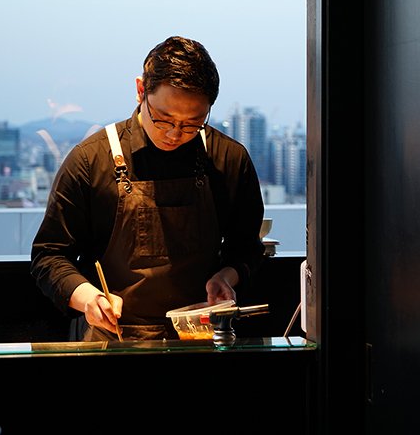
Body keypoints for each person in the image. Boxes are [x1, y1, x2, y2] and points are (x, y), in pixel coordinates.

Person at [30, 36, 266, 341]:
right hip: (112, 338)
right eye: (163, 119)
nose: (175, 134)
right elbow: (48, 256)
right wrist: (89, 298)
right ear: (141, 90)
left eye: (192, 123)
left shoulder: (228, 159)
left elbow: (247, 248)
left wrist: (226, 277)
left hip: (202, 339)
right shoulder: (91, 160)